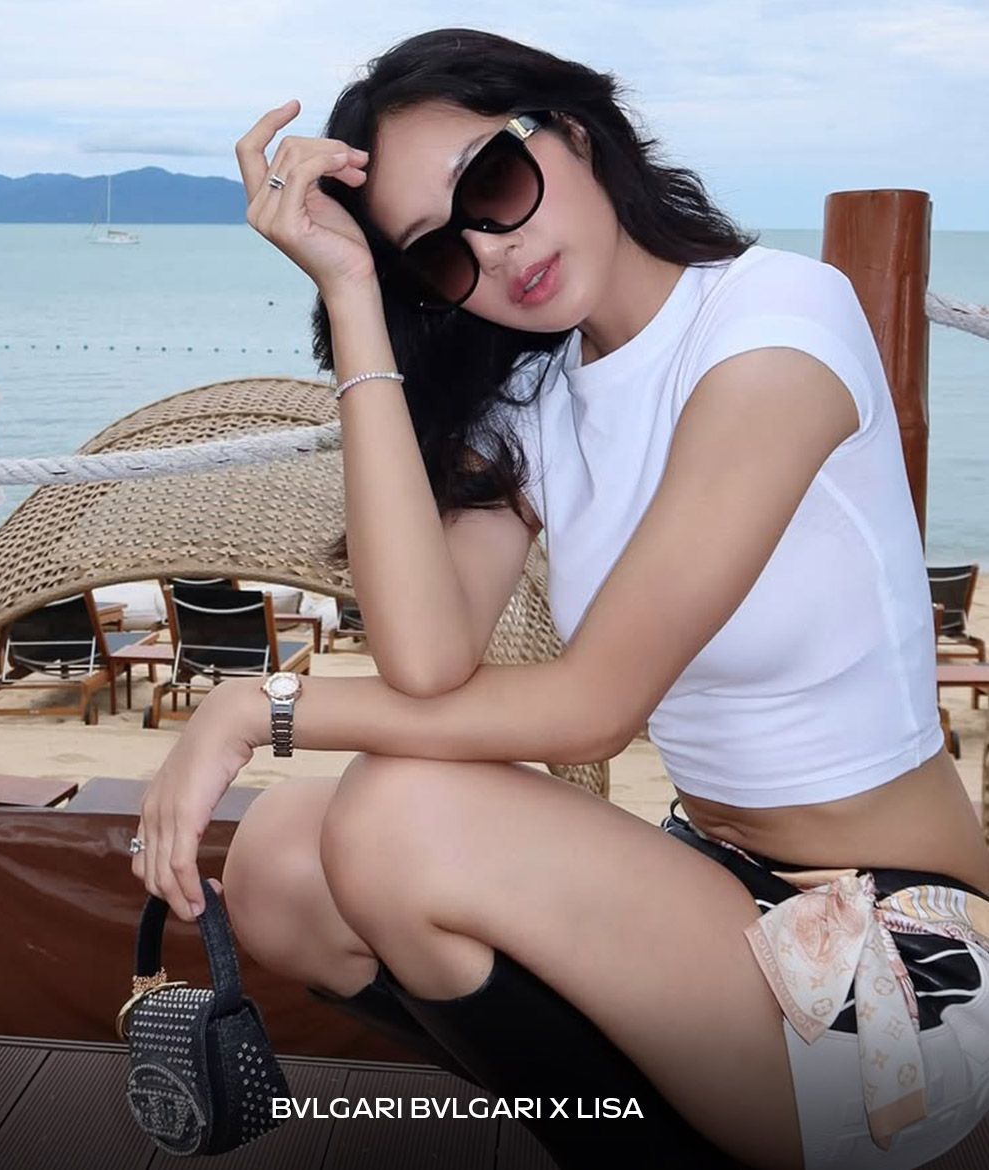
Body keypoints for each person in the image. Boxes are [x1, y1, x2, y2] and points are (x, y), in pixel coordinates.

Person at [129, 26, 989, 1170]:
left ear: (575, 132)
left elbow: (592, 710)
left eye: (493, 183)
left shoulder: (778, 322)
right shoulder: (536, 395)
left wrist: (257, 706)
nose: (492, 250)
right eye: (439, 255)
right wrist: (357, 298)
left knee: (396, 818)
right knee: (285, 859)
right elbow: (428, 659)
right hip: (714, 890)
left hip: (899, 961)